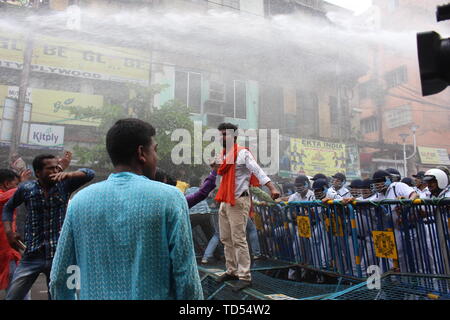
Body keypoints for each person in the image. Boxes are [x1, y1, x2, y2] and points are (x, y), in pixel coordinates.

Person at [49, 119, 203, 300]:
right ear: (141, 153)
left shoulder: (79, 202)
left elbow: (59, 277)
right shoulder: (170, 198)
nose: (157, 157)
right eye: (155, 150)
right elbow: (186, 277)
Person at [2, 155, 95, 300]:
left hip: (58, 255)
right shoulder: (26, 189)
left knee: (58, 296)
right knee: (13, 296)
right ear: (38, 172)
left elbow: (89, 173)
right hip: (31, 254)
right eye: (50, 168)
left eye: (57, 167)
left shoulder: (65, 185)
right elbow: (8, 207)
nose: (55, 170)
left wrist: (69, 174)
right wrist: (9, 232)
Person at [214, 123, 279, 292]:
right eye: (220, 135)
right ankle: (231, 270)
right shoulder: (224, 155)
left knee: (238, 239)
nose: (222, 137)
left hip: (238, 201)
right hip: (225, 201)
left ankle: (244, 276)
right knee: (225, 239)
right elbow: (220, 172)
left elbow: (258, 171)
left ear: (234, 137)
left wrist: (272, 188)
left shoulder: (242, 153)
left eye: (225, 135)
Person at [0, 169, 31, 298]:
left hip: (9, 252)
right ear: (7, 184)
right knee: (19, 291)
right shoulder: (3, 197)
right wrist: (23, 185)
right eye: (15, 184)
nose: (17, 187)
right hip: (7, 253)